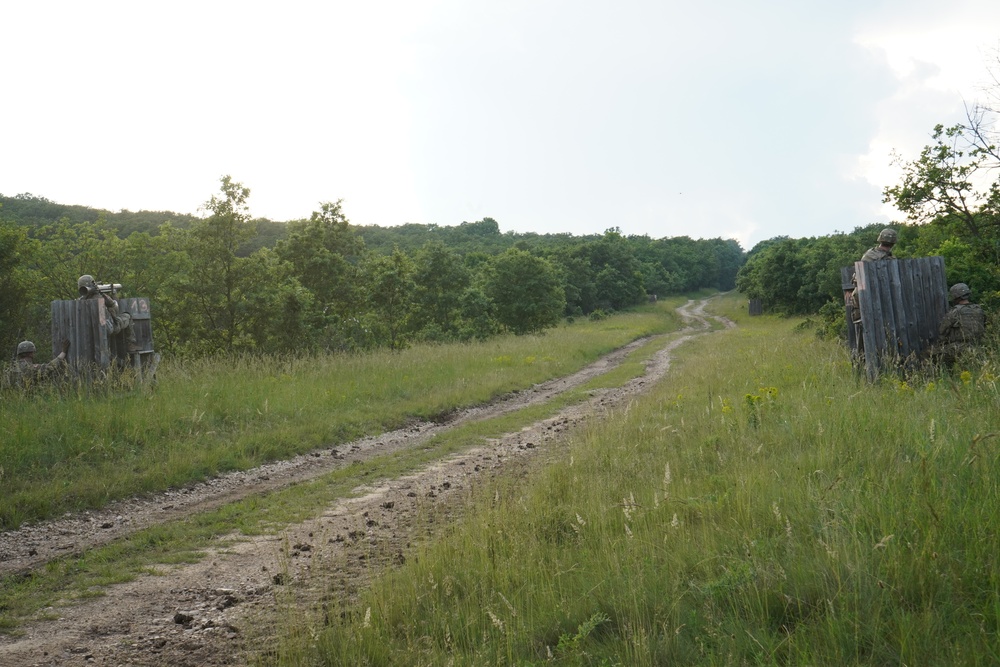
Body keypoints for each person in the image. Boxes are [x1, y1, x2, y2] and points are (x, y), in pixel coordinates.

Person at [77, 274, 139, 352]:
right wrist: (104, 294)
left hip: (88, 330)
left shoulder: (79, 301)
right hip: (110, 327)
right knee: (127, 316)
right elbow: (114, 306)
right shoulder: (99, 297)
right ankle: (131, 344)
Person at [933, 282, 986, 366]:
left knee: (927, 354)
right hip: (977, 347)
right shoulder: (978, 309)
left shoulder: (955, 311)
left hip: (960, 348)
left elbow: (942, 331)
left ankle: (935, 376)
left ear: (955, 296)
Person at [2, 339, 69, 390]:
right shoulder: (31, 368)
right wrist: (63, 353)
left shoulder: (11, 368)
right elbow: (50, 367)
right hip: (28, 402)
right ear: (31, 354)